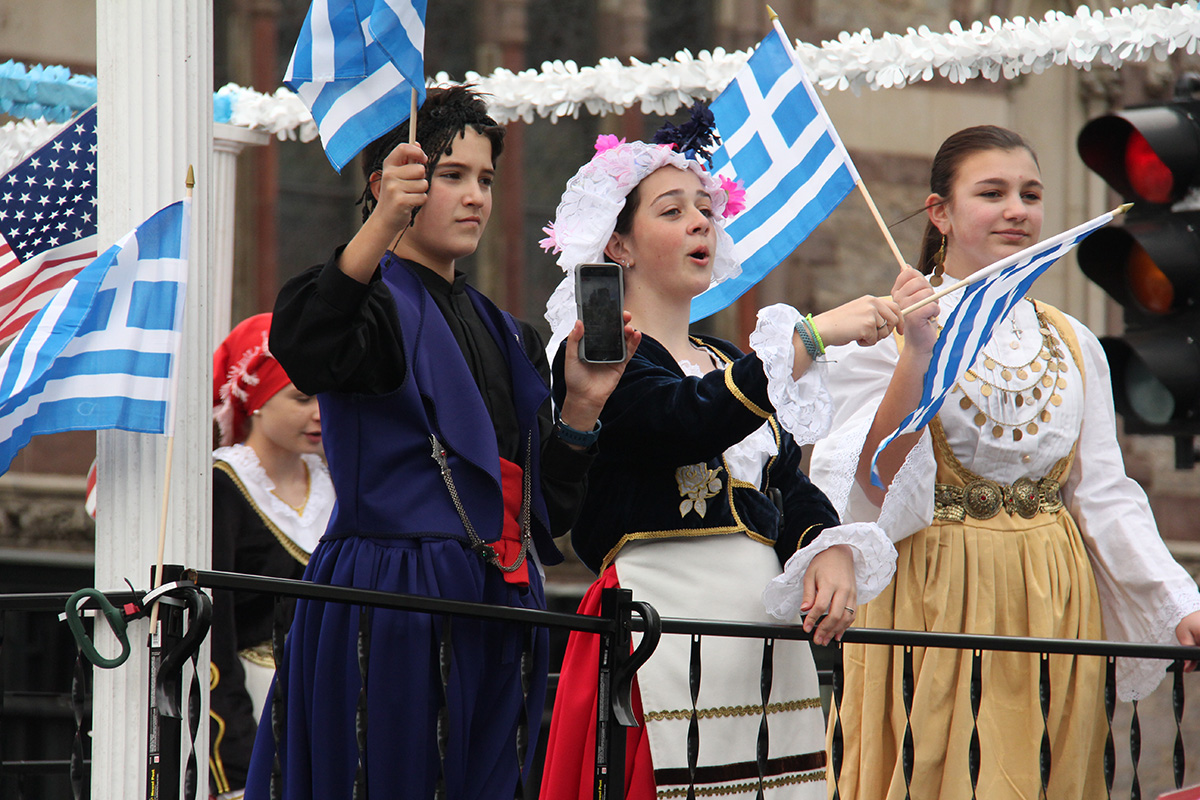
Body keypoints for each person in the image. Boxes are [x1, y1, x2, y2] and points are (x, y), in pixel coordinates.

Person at [243, 86, 636, 800]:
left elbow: (546, 509)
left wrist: (583, 405)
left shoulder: (510, 333)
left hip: (502, 600)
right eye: (451, 175)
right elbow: (306, 343)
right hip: (391, 595)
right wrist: (380, 226)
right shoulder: (369, 302)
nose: (476, 196)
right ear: (388, 183)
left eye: (485, 178)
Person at [809, 124, 1200, 799]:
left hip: (1051, 591)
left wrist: (1176, 602)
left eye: (1031, 194)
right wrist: (916, 355)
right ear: (940, 212)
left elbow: (1103, 493)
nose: (1017, 210)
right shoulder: (886, 331)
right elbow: (869, 479)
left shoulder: (1073, 341)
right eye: (992, 193)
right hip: (934, 587)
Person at [537, 120, 901, 800]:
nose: (700, 222)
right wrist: (812, 337)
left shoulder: (727, 360)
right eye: (671, 211)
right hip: (660, 628)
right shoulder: (600, 361)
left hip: (756, 639)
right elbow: (680, 422)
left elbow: (784, 481)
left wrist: (826, 547)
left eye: (705, 209)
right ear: (618, 244)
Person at [209, 313, 334, 800]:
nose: (320, 412)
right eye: (302, 398)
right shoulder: (222, 486)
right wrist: (235, 762)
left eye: (326, 396)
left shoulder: (336, 485)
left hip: (331, 706)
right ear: (256, 401)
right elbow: (214, 635)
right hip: (255, 708)